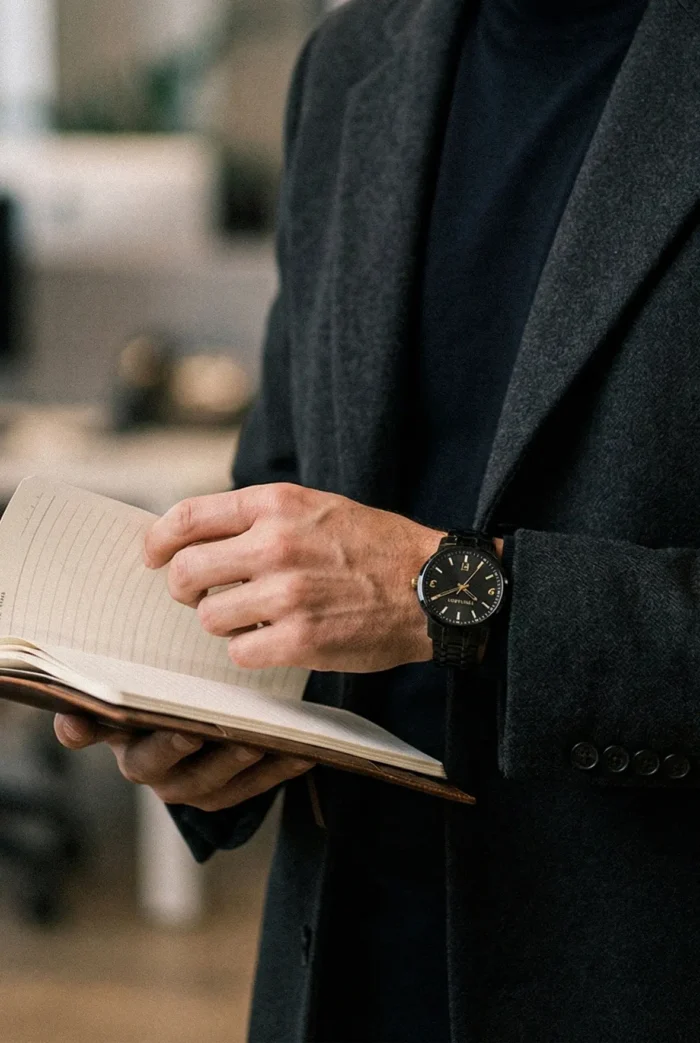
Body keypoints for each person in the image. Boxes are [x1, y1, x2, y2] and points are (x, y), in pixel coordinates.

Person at [54, 0, 700, 1038]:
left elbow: (415, 583)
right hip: (343, 970)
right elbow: (276, 479)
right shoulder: (352, 65)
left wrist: (460, 596)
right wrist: (202, 715)